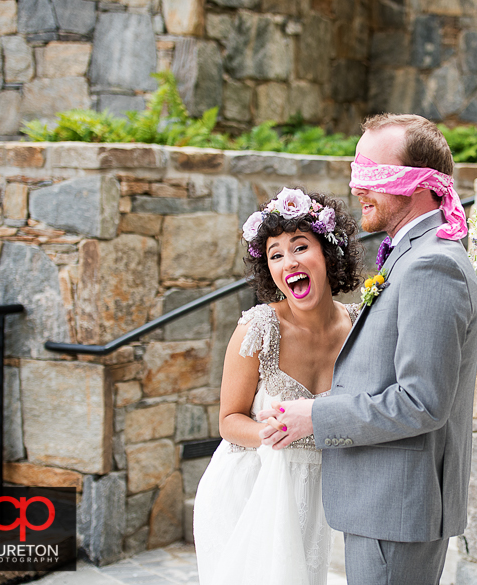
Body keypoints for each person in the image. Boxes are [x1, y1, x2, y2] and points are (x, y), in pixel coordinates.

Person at [260, 114, 477, 584]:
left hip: (396, 510)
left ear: (419, 185)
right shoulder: (412, 255)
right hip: (387, 505)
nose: (356, 185)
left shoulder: (430, 266)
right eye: (354, 168)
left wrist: (315, 417)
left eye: (371, 173)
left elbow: (422, 402)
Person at [193, 187, 364, 585]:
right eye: (275, 255)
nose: (288, 262)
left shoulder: (359, 327)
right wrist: (267, 431)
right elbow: (229, 420)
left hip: (324, 498)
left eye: (300, 247)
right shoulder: (258, 329)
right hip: (251, 492)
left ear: (327, 253)